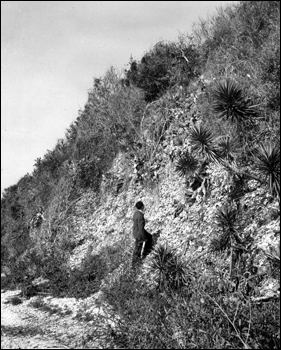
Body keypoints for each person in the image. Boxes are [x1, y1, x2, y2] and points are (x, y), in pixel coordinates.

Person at [132, 201, 152, 267]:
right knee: (138, 248)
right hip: (139, 234)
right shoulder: (140, 216)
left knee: (149, 237)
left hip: (135, 232)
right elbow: (141, 228)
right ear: (142, 207)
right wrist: (144, 238)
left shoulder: (136, 213)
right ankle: (137, 262)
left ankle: (135, 262)